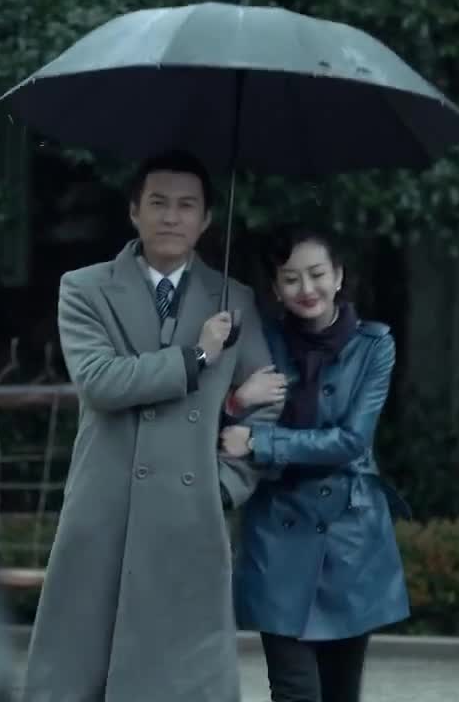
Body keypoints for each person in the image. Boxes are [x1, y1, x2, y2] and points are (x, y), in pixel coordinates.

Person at [23, 150, 275, 702]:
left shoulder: (234, 299)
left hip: (191, 516)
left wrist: (224, 485)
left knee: (185, 680)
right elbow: (100, 381)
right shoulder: (84, 288)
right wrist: (197, 357)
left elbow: (268, 398)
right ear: (134, 211)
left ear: (206, 220)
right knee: (81, 673)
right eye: (158, 203)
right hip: (105, 508)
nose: (171, 216)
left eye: (187, 205)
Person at [220, 227, 410, 702]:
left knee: (341, 692)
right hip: (276, 536)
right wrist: (238, 401)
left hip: (349, 538)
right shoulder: (260, 342)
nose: (306, 289)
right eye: (291, 279)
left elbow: (351, 440)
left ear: (338, 276)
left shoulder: (374, 345)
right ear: (275, 288)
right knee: (295, 691)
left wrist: (261, 442)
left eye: (317, 274)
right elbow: (220, 423)